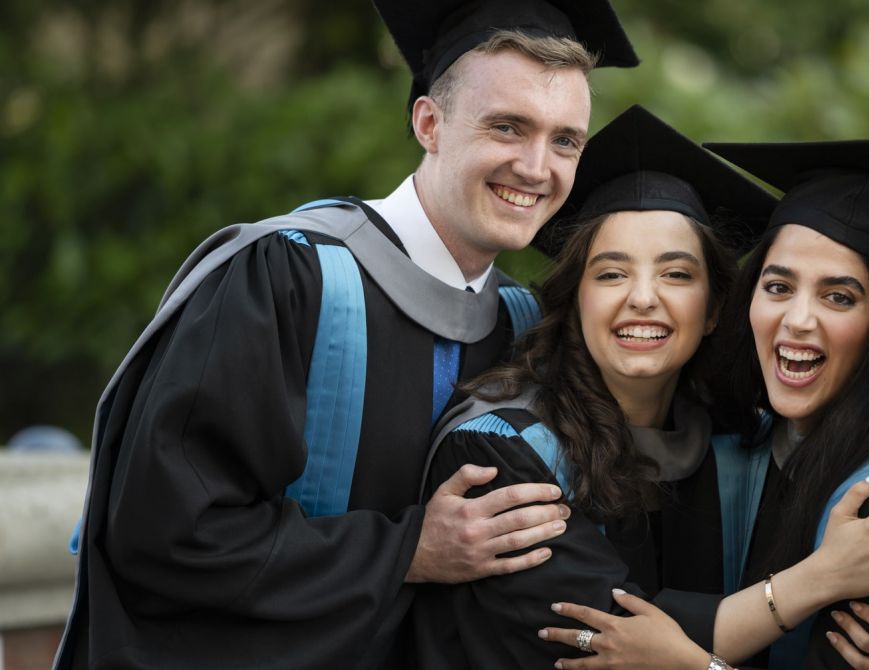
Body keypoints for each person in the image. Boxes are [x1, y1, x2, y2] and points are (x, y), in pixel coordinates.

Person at [54, 2, 638, 668]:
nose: (537, 167)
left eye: (565, 140)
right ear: (429, 122)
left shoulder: (522, 321)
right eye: (508, 127)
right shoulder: (285, 277)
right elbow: (163, 532)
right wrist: (408, 551)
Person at [427, 123, 869, 670]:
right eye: (611, 274)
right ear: (574, 297)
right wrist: (820, 578)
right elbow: (609, 642)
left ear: (715, 310)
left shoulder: (734, 444)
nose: (643, 298)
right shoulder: (502, 452)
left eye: (677, 274)